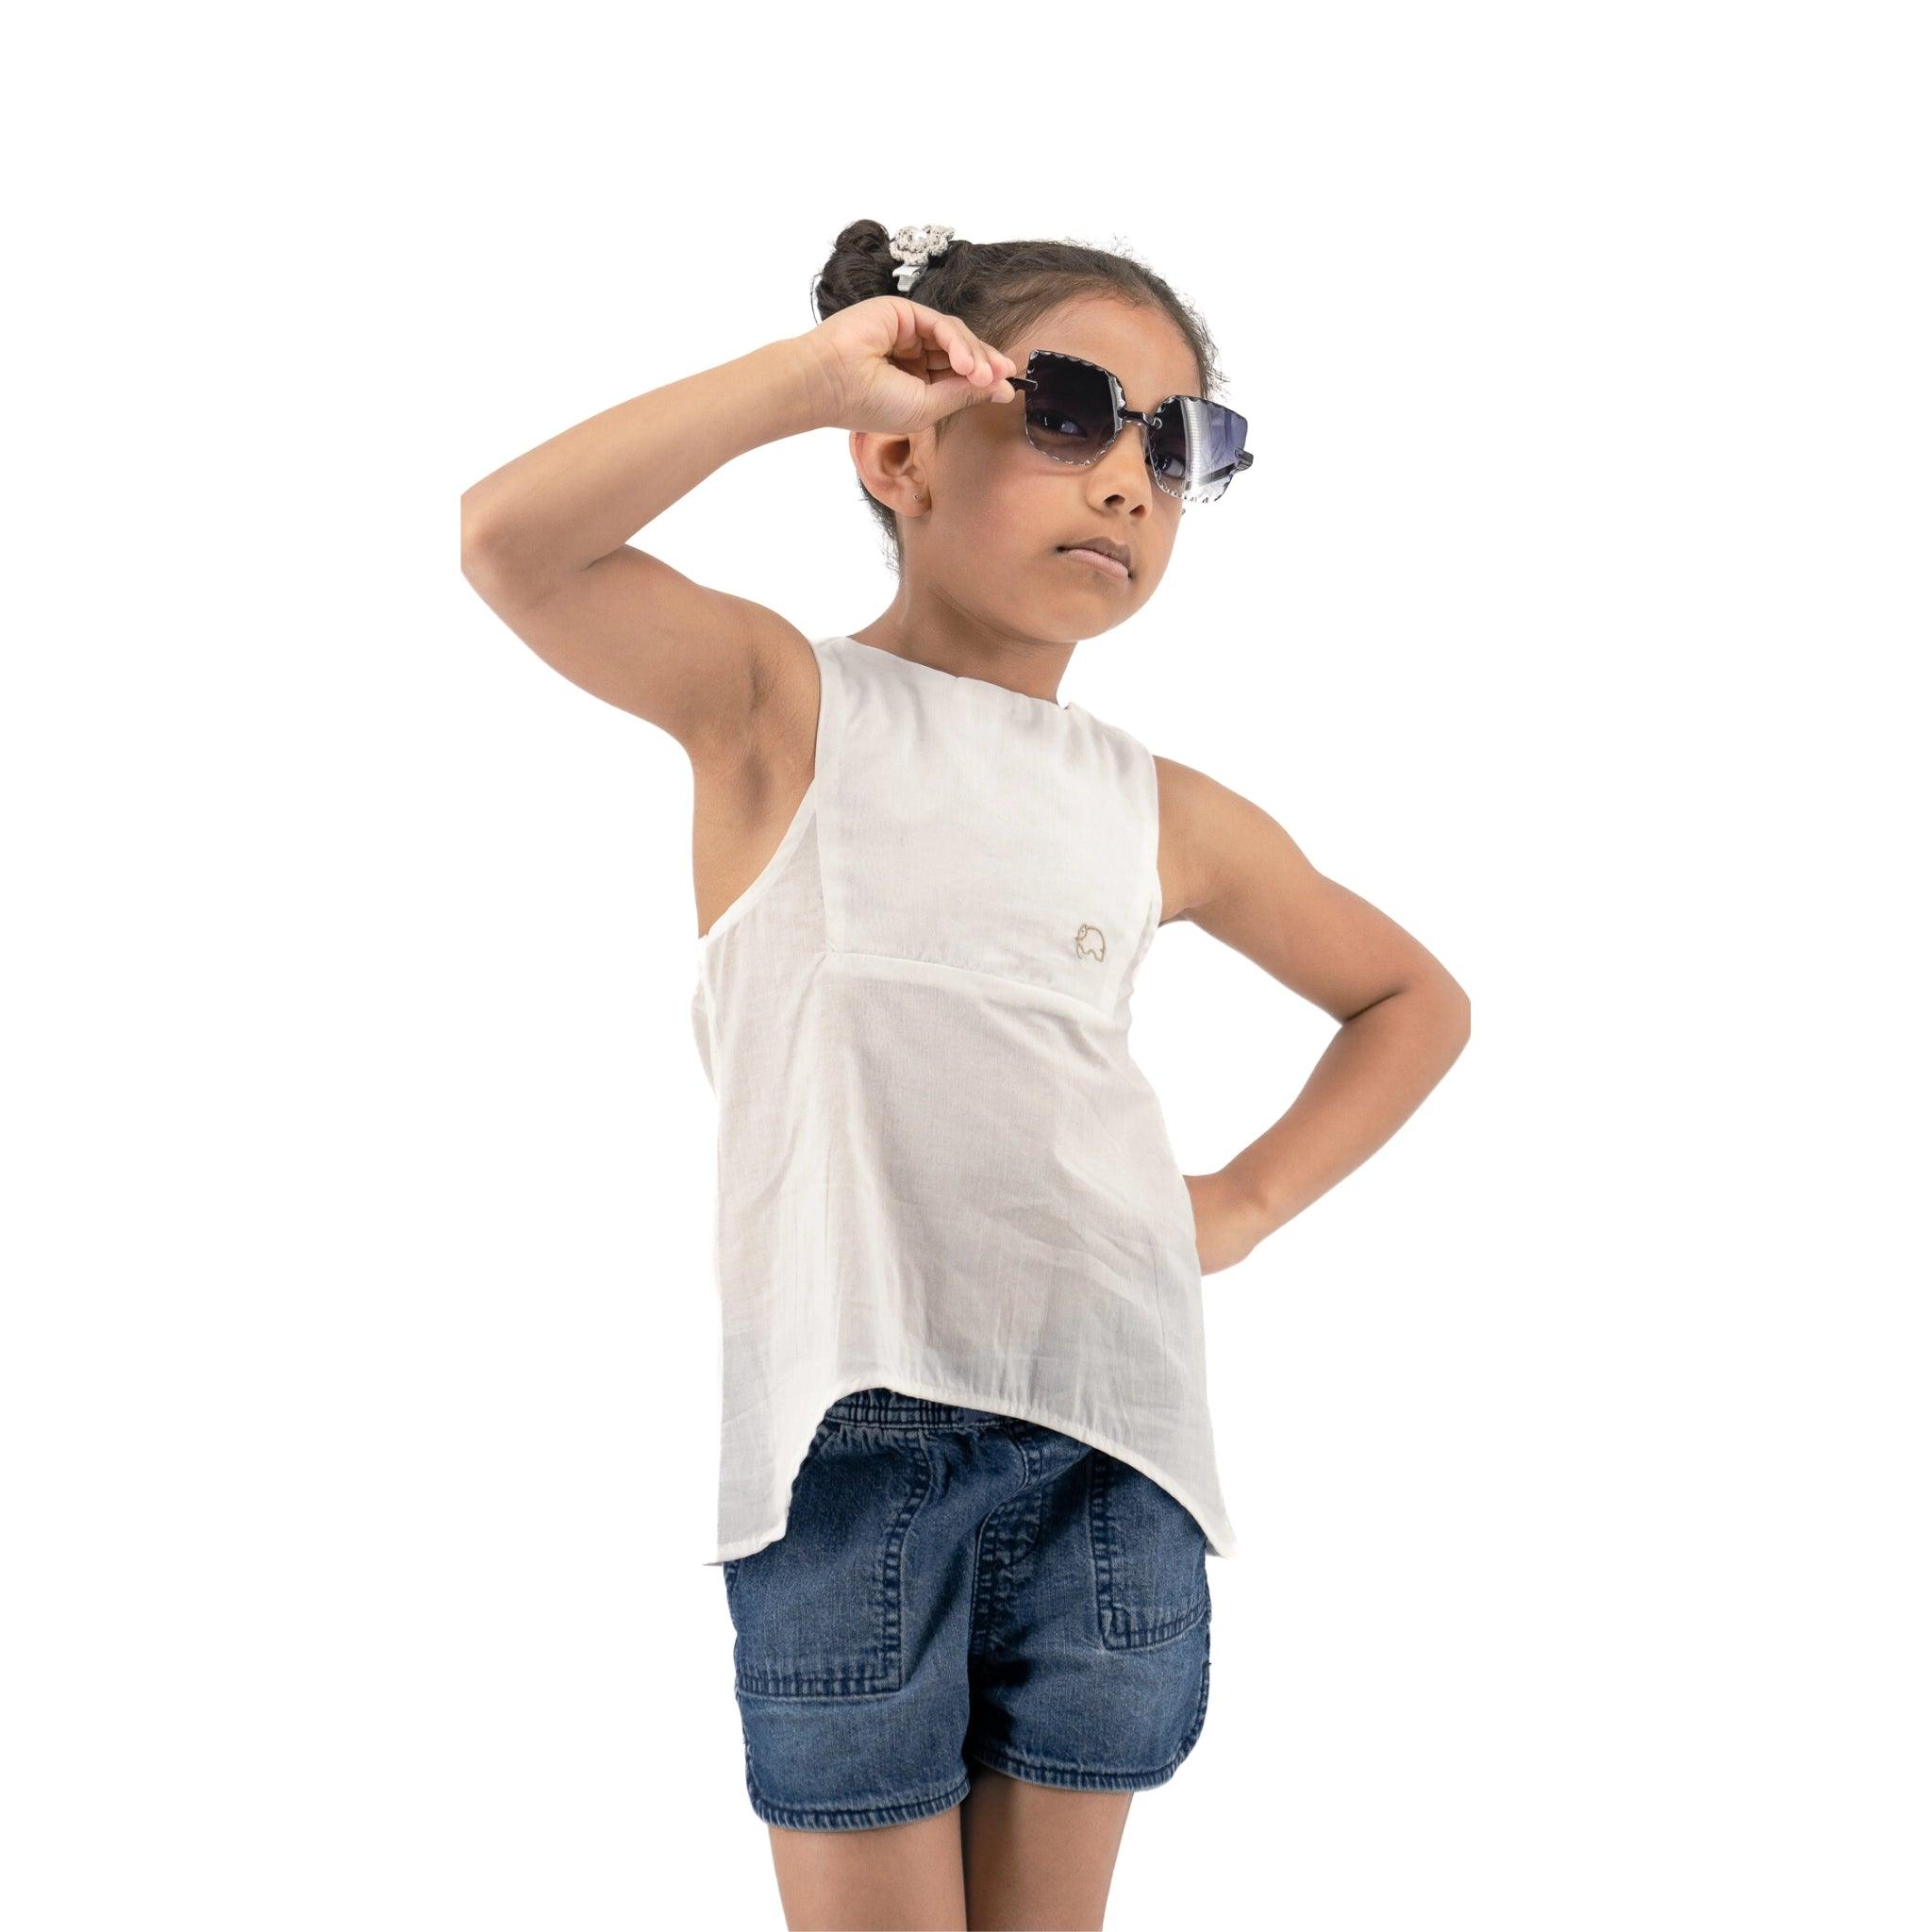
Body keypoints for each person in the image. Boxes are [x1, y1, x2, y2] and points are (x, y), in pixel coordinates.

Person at [459, 219, 1471, 1929]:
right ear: (905, 451)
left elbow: (1407, 997)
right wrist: (803, 376)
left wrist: (1240, 1204)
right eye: (1071, 410)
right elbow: (513, 545)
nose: (1131, 479)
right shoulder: (782, 706)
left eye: (1178, 441)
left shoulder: (1164, 810)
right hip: (849, 1448)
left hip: (1113, 1444)